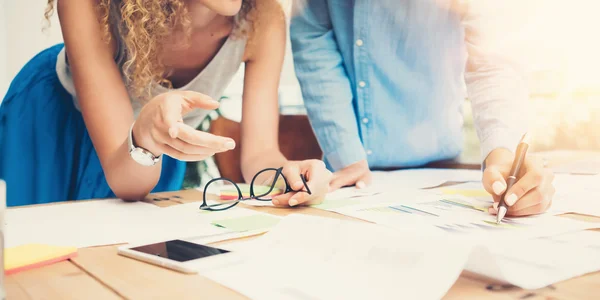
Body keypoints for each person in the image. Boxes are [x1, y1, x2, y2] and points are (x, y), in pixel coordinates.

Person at [0, 0, 331, 207]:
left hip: (154, 150)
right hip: (52, 128)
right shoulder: (87, 5)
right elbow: (122, 174)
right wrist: (146, 138)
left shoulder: (265, 17)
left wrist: (289, 178)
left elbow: (259, 155)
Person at [290, 0, 555, 216]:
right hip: (347, 173)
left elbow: (493, 59)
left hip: (440, 164)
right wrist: (344, 151)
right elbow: (313, 36)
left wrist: (503, 153)